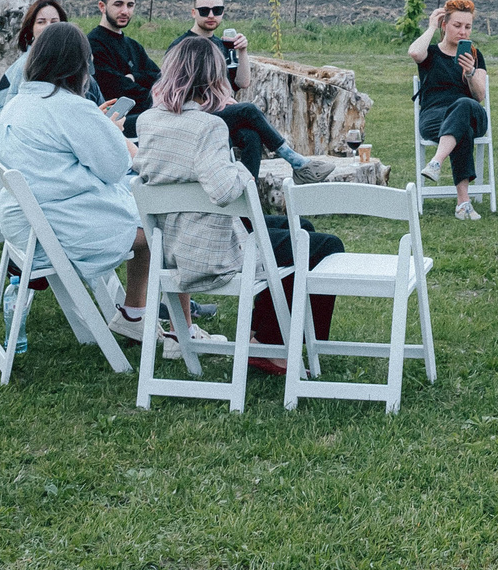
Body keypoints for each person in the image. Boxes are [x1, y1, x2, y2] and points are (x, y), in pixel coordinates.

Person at [136, 35, 348, 368]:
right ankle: (275, 346)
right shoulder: (209, 126)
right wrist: (241, 169)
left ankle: (261, 337)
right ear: (214, 78)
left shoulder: (148, 120)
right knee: (324, 245)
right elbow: (224, 191)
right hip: (212, 252)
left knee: (301, 228)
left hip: (171, 243)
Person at [0, 23, 158, 349]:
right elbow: (114, 168)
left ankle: (134, 314)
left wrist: (95, 124)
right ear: (79, 65)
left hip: (22, 228)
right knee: (156, 223)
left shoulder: (19, 103)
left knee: (141, 212)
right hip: (62, 231)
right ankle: (138, 313)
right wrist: (109, 131)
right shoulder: (69, 107)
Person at [174, 0, 324, 180]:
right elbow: (175, 91)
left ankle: (247, 200)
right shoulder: (183, 46)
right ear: (194, 12)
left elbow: (242, 83)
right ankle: (296, 161)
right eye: (204, 11)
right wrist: (215, 100)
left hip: (218, 114)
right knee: (248, 110)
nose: (211, 15)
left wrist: (242, 52)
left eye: (217, 10)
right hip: (194, 116)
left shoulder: (222, 44)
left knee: (252, 137)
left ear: (223, 12)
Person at [409, 0, 490, 220]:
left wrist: (471, 73)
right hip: (435, 118)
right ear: (445, 24)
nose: (463, 32)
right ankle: (463, 204)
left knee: (463, 106)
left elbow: (479, 96)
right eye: (457, 25)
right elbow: (415, 53)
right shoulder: (431, 53)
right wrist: (431, 27)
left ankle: (437, 161)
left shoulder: (473, 54)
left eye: (468, 26)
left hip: (472, 113)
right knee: (461, 129)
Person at [87, 0, 162, 123]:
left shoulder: (133, 46)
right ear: (102, 6)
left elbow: (160, 78)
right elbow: (116, 90)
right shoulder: (92, 45)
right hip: (114, 122)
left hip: (144, 116)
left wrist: (134, 77)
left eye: (130, 5)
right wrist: (155, 97)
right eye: (118, 4)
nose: (125, 11)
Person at [0, 0, 67, 119]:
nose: (48, 27)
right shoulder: (28, 66)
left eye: (54, 22)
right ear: (31, 28)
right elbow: (16, 113)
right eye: (41, 22)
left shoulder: (64, 62)